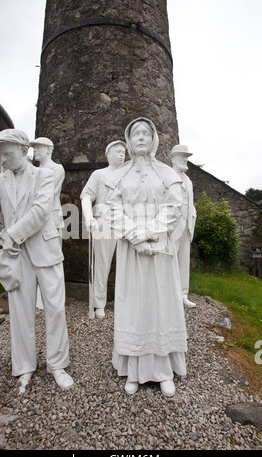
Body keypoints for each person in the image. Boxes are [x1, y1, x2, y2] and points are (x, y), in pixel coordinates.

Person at [0, 129, 73, 394]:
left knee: (55, 309)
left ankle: (57, 365)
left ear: (24, 151)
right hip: (15, 256)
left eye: (8, 154)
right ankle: (24, 367)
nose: (4, 160)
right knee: (21, 313)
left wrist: (10, 235)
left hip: (45, 249)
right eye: (1, 155)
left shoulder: (45, 176)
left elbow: (41, 211)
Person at [105, 117, 187, 397]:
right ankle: (134, 370)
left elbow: (175, 207)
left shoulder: (166, 173)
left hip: (159, 249)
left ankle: (163, 371)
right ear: (128, 141)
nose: (140, 138)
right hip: (131, 251)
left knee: (160, 306)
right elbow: (112, 209)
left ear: (154, 140)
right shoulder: (120, 176)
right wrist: (133, 236)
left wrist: (148, 233)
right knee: (134, 306)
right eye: (135, 134)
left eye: (145, 133)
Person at [80, 141, 126, 318]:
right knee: (102, 263)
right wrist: (88, 217)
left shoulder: (129, 176)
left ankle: (125, 302)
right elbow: (86, 196)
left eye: (123, 152)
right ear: (108, 155)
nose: (122, 155)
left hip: (124, 221)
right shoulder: (98, 174)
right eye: (117, 152)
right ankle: (99, 303)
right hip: (104, 221)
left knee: (126, 264)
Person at [30, 137, 65, 309]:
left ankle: (54, 296)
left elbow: (49, 194)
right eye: (34, 148)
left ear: (48, 150)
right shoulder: (32, 170)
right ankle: (39, 295)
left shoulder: (56, 169)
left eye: (38, 148)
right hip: (35, 216)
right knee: (37, 255)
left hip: (51, 216)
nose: (35, 151)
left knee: (54, 256)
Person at [169, 144, 197, 308]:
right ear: (173, 158)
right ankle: (168, 295)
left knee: (183, 262)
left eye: (186, 157)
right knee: (168, 261)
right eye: (182, 156)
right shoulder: (167, 177)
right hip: (172, 227)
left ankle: (183, 295)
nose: (185, 159)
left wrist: (192, 214)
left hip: (186, 226)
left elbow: (189, 202)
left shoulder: (189, 181)